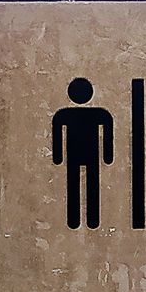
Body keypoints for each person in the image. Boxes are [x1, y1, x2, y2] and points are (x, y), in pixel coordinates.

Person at [51, 76, 113, 229]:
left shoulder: (64, 115)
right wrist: (107, 156)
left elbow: (58, 136)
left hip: (75, 155)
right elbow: (108, 134)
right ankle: (90, 220)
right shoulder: (99, 114)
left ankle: (78, 220)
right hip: (90, 154)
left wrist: (58, 157)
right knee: (89, 184)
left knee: (77, 184)